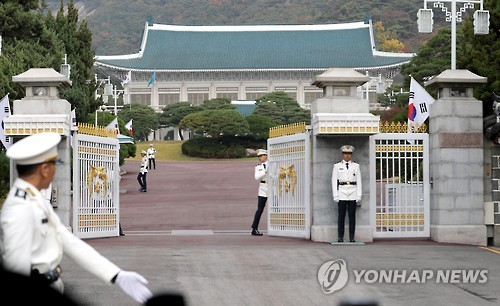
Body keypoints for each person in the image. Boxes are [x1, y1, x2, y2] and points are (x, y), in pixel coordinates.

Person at [0, 132, 153, 303]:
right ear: (44, 169)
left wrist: (115, 274)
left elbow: (69, 242)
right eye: (55, 164)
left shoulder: (34, 199)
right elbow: (16, 267)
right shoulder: (20, 208)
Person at [331, 145, 362, 243]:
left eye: (349, 154)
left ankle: (352, 237)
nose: (347, 156)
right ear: (342, 155)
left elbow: (359, 181)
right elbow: (333, 181)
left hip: (353, 192)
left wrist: (359, 195)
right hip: (342, 192)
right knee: (341, 216)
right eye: (345, 154)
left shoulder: (356, 166)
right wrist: (335, 194)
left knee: (352, 217)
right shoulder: (337, 166)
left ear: (351, 155)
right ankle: (340, 237)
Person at [251, 149, 268, 236]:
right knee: (260, 209)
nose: (259, 158)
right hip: (263, 189)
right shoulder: (258, 167)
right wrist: (265, 172)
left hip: (272, 188)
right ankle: (254, 228)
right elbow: (257, 177)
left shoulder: (273, 165)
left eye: (261, 156)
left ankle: (281, 227)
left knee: (277, 208)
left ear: (266, 156)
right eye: (259, 156)